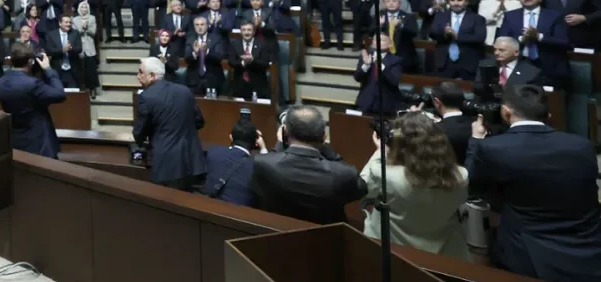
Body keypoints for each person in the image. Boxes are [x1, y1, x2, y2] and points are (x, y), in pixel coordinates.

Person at [466, 84, 601, 281]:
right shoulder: (584, 146)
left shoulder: (492, 149)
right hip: (588, 251)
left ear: (505, 112)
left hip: (528, 257)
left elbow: (472, 186)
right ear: (548, 115)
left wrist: (476, 140)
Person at [360, 112, 470, 260]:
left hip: (392, 250)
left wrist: (380, 152)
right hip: (443, 252)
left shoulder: (386, 174)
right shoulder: (461, 176)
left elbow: (363, 189)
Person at [250, 106, 367, 224]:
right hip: (328, 238)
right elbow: (362, 188)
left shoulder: (262, 164)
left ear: (285, 133)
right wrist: (325, 146)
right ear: (323, 137)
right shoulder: (343, 174)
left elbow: (272, 161)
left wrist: (280, 144)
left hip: (281, 236)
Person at [133, 57, 207, 190]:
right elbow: (199, 121)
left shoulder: (146, 97)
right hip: (191, 161)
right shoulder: (184, 91)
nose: (137, 76)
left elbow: (139, 133)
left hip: (167, 164)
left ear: (152, 76)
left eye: (140, 72)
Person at [0, 42, 66, 158]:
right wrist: (48, 69)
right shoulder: (33, 84)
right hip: (39, 145)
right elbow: (60, 94)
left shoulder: (1, 82)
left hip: (16, 143)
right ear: (30, 62)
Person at [201, 119, 267, 205]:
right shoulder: (256, 166)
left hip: (208, 207)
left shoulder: (213, 152)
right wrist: (263, 148)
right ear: (256, 143)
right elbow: (266, 167)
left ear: (231, 137)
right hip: (240, 214)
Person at [228, 20, 271, 101]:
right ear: (240, 32)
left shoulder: (262, 44)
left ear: (254, 31)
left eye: (249, 30)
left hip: (258, 85)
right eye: (244, 30)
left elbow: (266, 64)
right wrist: (243, 63)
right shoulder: (234, 44)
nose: (246, 33)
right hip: (239, 85)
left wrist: (252, 61)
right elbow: (231, 62)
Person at [74, 1, 99, 97]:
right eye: (82, 7)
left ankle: (93, 88)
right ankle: (82, 88)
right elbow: (75, 33)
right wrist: (82, 28)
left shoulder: (92, 18)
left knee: (91, 69)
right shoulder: (75, 19)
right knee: (80, 69)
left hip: (89, 46)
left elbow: (93, 32)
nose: (84, 9)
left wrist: (86, 28)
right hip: (79, 46)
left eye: (85, 7)